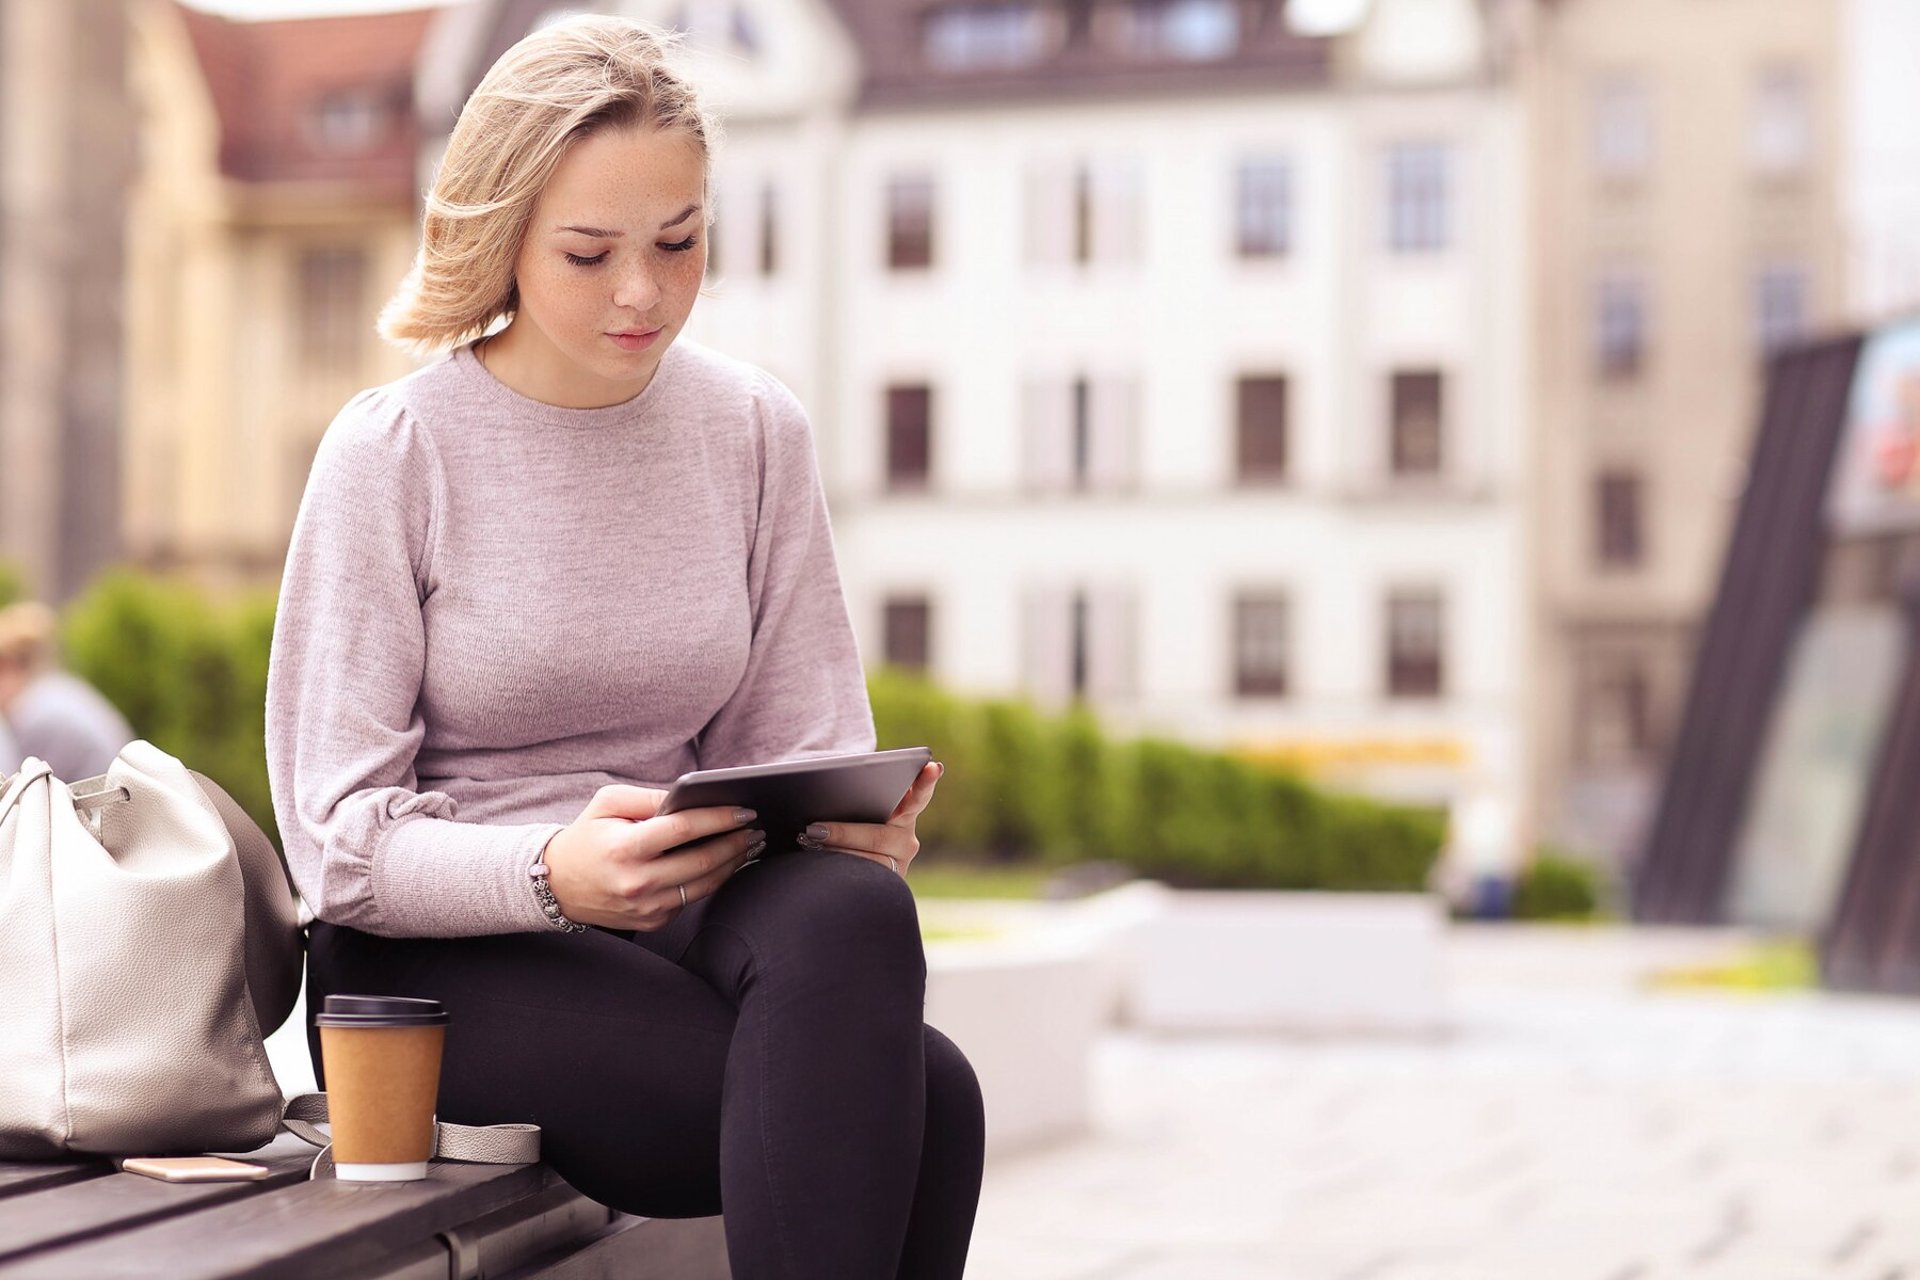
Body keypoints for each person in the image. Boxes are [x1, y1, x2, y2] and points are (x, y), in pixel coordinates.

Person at [263, 16, 983, 1278]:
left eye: (679, 241)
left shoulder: (755, 431)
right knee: (927, 1100)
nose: (642, 291)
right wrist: (552, 873)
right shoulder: (395, 453)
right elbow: (334, 845)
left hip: (677, 917)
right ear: (505, 234)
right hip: (441, 957)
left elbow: (796, 745)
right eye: (590, 252)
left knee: (861, 918)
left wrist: (845, 821)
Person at [0, 601, 135, 783]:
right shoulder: (59, 690)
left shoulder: (34, 716)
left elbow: (21, 794)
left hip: (104, 807)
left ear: (9, 666)